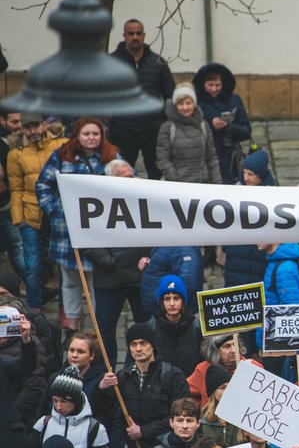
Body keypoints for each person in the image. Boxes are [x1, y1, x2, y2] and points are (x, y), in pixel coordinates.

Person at [36, 118, 121, 331]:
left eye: (95, 134)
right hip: (67, 232)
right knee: (70, 282)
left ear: (102, 136)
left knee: (97, 284)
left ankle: (98, 330)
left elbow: (130, 182)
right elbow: (43, 184)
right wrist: (53, 208)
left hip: (99, 233)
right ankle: (71, 327)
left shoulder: (112, 156)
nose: (91, 138)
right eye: (86, 134)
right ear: (77, 135)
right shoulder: (62, 155)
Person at [97, 324, 190, 448]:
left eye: (143, 343)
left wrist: (143, 431)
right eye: (133, 344)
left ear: (152, 346)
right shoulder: (122, 377)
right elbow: (108, 412)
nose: (138, 348)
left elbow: (181, 416)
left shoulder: (173, 376)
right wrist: (101, 388)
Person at [6, 112, 65, 315]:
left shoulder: (60, 146)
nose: (33, 131)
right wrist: (18, 219)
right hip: (31, 212)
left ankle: (66, 310)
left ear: (44, 125)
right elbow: (16, 189)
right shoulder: (16, 154)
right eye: (28, 128)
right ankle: (35, 310)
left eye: (36, 126)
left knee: (63, 264)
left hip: (58, 211)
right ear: (22, 129)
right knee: (32, 266)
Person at [109, 18, 175, 178]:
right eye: (131, 34)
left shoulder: (158, 62)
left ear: (144, 35)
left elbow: (170, 95)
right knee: (122, 175)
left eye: (139, 33)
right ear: (124, 35)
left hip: (153, 130)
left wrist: (163, 122)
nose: (135, 37)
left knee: (155, 174)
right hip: (123, 130)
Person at [156, 85, 220, 183]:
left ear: (194, 104)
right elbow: (163, 159)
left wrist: (217, 183)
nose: (185, 107)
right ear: (175, 105)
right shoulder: (168, 128)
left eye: (188, 103)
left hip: (202, 184)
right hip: (177, 187)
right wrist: (175, 179)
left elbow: (211, 158)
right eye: (181, 103)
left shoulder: (203, 125)